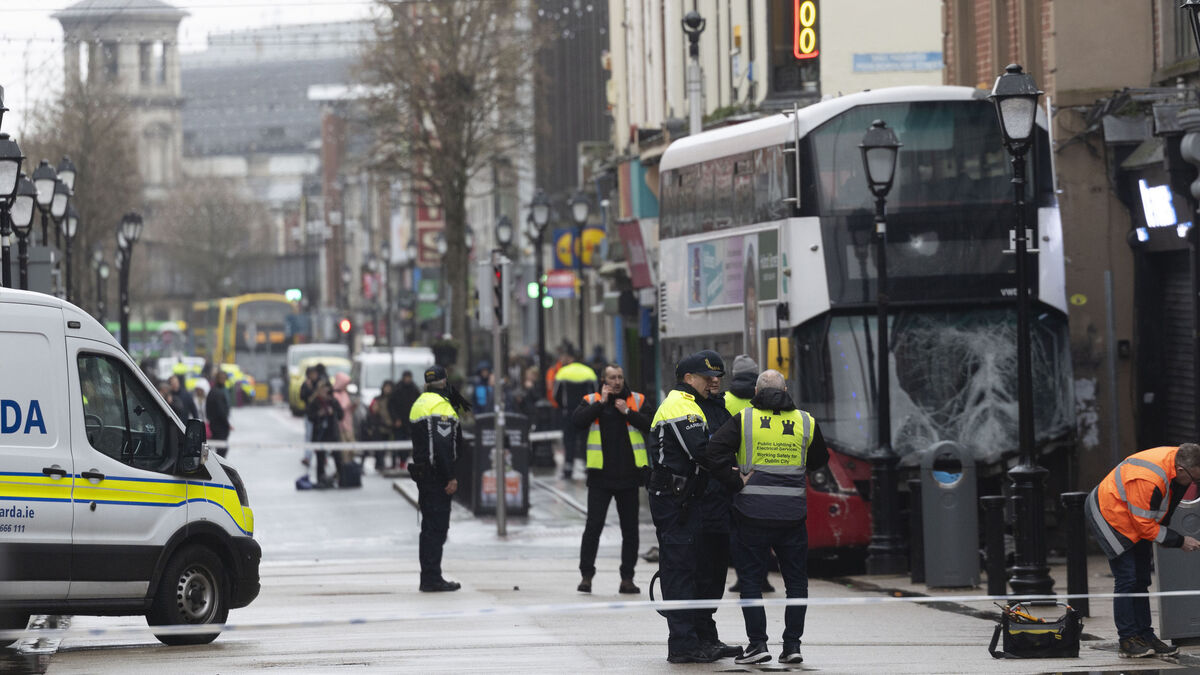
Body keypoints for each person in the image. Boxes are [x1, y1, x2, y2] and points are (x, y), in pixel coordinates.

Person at [701, 369, 828, 665]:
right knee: (796, 583)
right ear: (785, 390)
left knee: (750, 581)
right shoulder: (805, 421)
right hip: (792, 516)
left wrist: (734, 479)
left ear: (756, 392)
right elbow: (820, 459)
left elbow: (713, 451)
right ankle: (792, 645)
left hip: (751, 514)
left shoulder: (744, 419)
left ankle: (758, 644)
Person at [645, 352, 729, 664]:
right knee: (680, 571)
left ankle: (702, 638)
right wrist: (735, 477)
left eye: (717, 377)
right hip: (674, 500)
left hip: (686, 499)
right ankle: (682, 645)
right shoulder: (680, 405)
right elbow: (702, 452)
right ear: (689, 378)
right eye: (707, 378)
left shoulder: (694, 404)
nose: (714, 382)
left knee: (696, 570)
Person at [1085, 443, 1200, 658]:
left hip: (1132, 514)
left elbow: (1160, 509)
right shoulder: (1150, 479)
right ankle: (1128, 639)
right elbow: (1144, 526)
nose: (1194, 484)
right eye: (1194, 479)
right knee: (1127, 578)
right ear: (1182, 470)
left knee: (1141, 579)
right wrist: (1179, 541)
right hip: (1109, 514)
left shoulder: (1179, 463)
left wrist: (1165, 536)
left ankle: (1145, 635)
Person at [572, 363, 653, 595]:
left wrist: (628, 413)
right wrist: (600, 404)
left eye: (619, 377)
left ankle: (627, 578)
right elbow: (577, 422)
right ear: (603, 381)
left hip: (629, 477)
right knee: (593, 527)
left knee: (630, 530)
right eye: (612, 378)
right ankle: (586, 576)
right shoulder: (592, 400)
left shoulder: (636, 400)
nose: (617, 382)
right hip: (600, 477)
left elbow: (651, 425)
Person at [409, 364, 468, 592]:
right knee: (437, 529)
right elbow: (442, 446)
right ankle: (432, 578)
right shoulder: (440, 406)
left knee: (428, 528)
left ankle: (429, 575)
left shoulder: (420, 403)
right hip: (436, 478)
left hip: (423, 475)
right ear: (444, 382)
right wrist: (450, 476)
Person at [722, 355, 775, 595]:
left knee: (737, 530)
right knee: (762, 527)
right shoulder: (766, 401)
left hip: (735, 473)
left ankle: (743, 577)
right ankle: (762, 577)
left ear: (733, 374)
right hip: (763, 471)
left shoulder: (725, 401)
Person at [554, 347, 598, 480]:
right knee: (586, 440)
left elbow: (556, 394)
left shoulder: (563, 373)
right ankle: (588, 467)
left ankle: (568, 469)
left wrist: (563, 407)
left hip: (569, 412)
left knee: (569, 441)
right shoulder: (589, 373)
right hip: (586, 412)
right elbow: (595, 393)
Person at [307, 378, 344, 487]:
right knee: (320, 459)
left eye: (326, 390)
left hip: (333, 433)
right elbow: (310, 417)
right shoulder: (315, 402)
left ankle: (342, 478)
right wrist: (319, 414)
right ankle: (321, 480)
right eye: (322, 390)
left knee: (338, 457)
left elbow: (341, 415)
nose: (325, 393)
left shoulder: (333, 401)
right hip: (320, 434)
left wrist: (333, 412)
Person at [389, 371, 421, 468]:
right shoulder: (397, 389)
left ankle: (403, 462)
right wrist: (396, 419)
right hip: (399, 423)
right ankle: (394, 463)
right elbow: (391, 406)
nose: (407, 379)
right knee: (397, 443)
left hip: (410, 423)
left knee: (407, 444)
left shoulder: (415, 390)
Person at [369, 380, 396, 472]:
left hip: (390, 427)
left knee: (388, 447)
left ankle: (389, 464)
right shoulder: (377, 399)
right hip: (379, 426)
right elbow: (372, 411)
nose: (387, 389)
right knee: (379, 448)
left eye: (389, 387)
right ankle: (379, 464)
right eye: (386, 387)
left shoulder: (393, 399)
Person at [205, 370, 232, 456]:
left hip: (216, 424)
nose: (223, 380)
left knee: (216, 448)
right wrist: (227, 423)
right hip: (219, 425)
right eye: (221, 378)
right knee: (221, 450)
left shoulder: (221, 390)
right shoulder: (217, 392)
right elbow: (221, 411)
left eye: (224, 378)